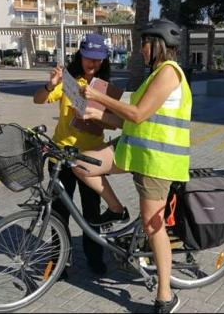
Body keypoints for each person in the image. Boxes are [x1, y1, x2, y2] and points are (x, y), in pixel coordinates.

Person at [73, 19, 191, 313]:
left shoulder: (169, 73)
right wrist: (96, 115)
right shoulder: (153, 77)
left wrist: (97, 96)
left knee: (154, 226)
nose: (140, 50)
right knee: (81, 164)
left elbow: (137, 114)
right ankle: (116, 209)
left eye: (144, 44)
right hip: (134, 152)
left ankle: (165, 295)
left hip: (157, 160)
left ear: (158, 45)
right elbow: (128, 122)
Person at [33, 33, 112, 276]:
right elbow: (38, 100)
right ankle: (59, 263)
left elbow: (112, 123)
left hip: (90, 159)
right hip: (61, 158)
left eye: (98, 60)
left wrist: (95, 118)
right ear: (81, 55)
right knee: (59, 215)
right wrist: (51, 84)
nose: (93, 64)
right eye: (89, 58)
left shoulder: (104, 87)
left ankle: (95, 258)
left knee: (92, 213)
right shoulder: (68, 82)